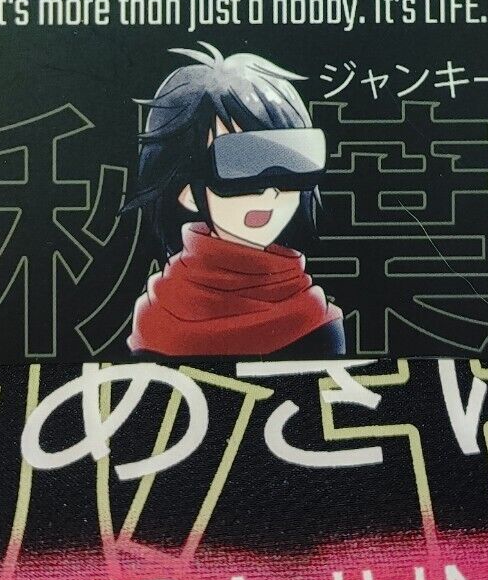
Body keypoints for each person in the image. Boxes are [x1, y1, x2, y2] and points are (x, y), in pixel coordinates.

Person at [123, 44, 346, 358]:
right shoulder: (157, 318)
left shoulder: (316, 319)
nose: (269, 191)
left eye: (288, 162)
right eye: (240, 163)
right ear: (187, 189)